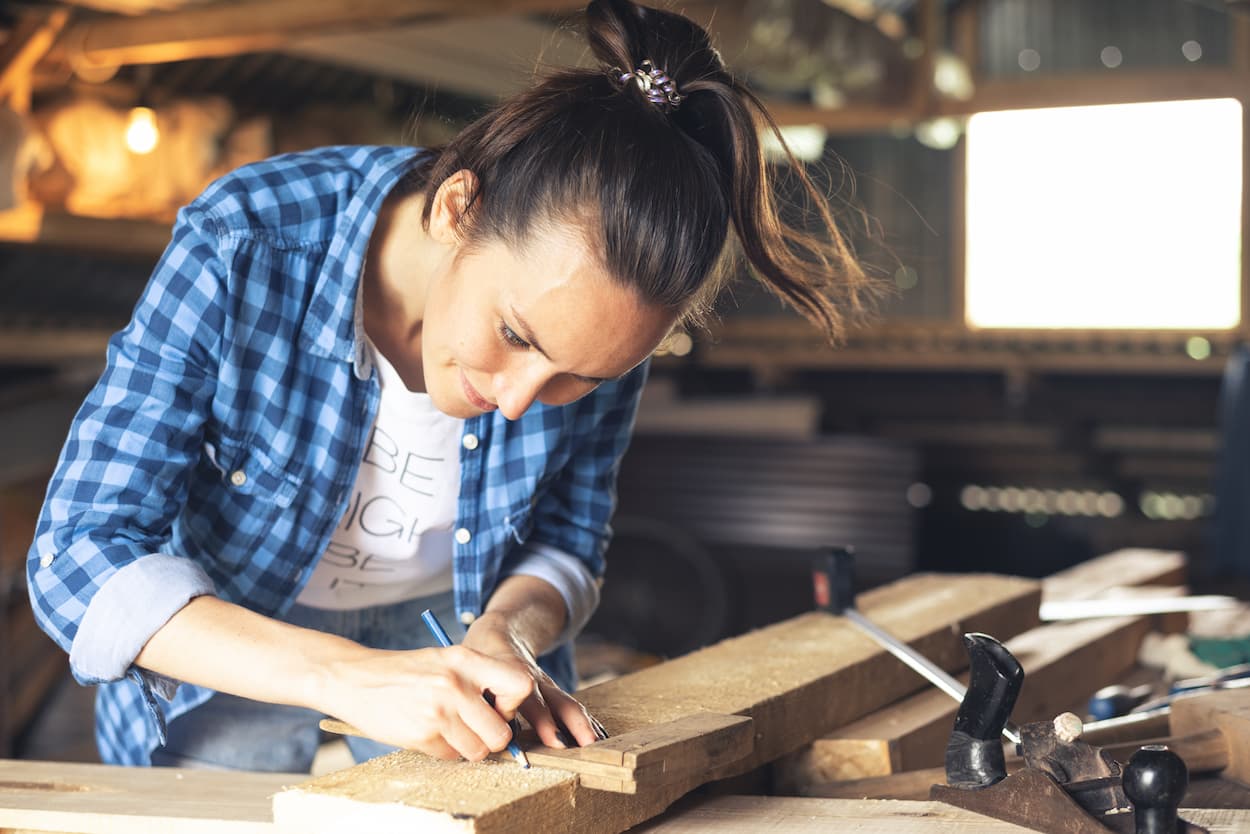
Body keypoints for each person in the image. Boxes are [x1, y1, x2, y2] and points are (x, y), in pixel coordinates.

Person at [25, 0, 880, 771]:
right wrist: (350, 679)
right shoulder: (245, 241)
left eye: (577, 379)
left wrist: (507, 635)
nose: (517, 401)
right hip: (238, 637)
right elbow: (78, 558)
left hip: (456, 632)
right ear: (456, 209)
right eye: (515, 336)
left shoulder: (606, 325)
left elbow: (570, 541)